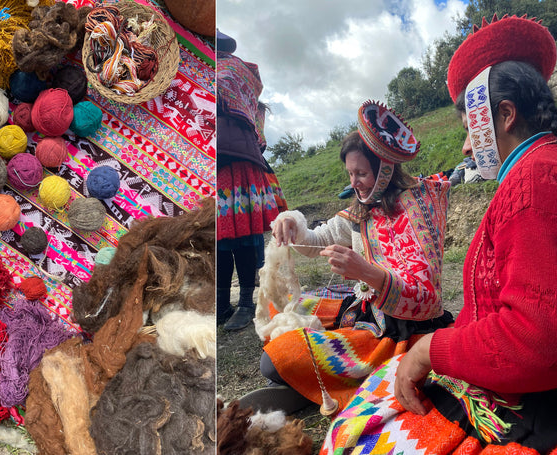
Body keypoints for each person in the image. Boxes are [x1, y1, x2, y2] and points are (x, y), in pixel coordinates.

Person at [323, 15, 557, 453]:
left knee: (350, 435)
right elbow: (325, 232)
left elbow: (537, 335)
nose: (467, 146)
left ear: (506, 115)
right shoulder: (533, 173)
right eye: (350, 174)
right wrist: (292, 225)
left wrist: (429, 347)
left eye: (472, 127)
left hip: (519, 393)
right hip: (458, 351)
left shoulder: (534, 180)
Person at [239, 100, 453, 415]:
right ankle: (315, 382)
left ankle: (321, 385)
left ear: (385, 170)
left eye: (361, 173)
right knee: (277, 304)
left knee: (273, 361)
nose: (353, 183)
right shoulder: (363, 207)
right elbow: (319, 240)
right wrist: (291, 223)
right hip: (365, 312)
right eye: (350, 173)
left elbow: (427, 299)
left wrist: (368, 273)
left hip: (399, 333)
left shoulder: (416, 209)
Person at [216, 29, 289, 331]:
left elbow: (222, 91)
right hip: (218, 161)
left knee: (242, 236)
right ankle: (221, 303)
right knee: (219, 237)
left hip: (237, 159)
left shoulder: (233, 69)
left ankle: (247, 301)